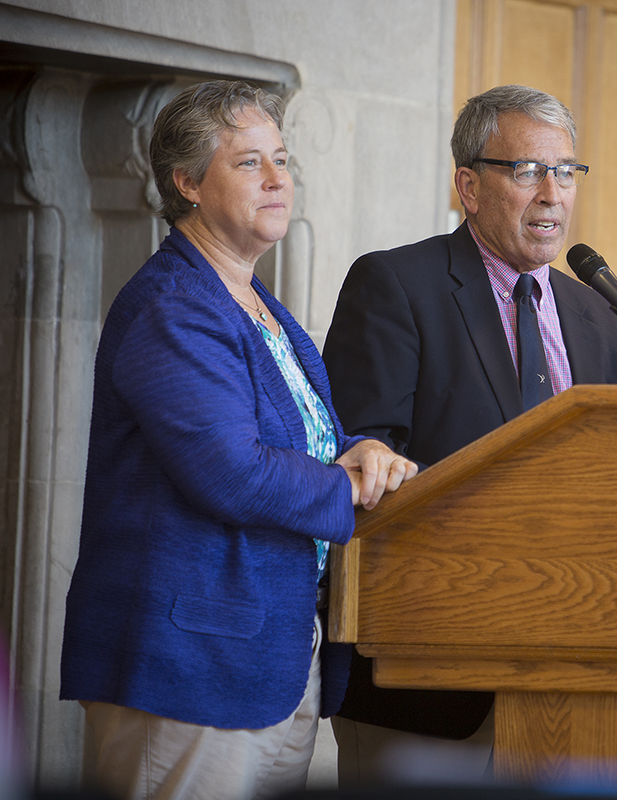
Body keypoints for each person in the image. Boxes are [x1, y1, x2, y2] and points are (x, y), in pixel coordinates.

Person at [59, 80, 417, 800]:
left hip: (271, 662)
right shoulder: (173, 306)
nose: (278, 178)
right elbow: (231, 470)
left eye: (282, 159)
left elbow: (295, 437)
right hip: (190, 666)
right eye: (250, 162)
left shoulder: (256, 305)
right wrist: (350, 485)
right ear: (187, 183)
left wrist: (357, 449)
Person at [321, 84, 617, 783]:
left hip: (569, 686)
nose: (552, 194)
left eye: (566, 172)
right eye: (528, 171)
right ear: (469, 186)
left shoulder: (602, 321)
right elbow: (360, 455)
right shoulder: (395, 285)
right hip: (424, 679)